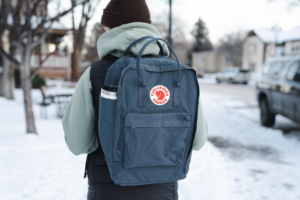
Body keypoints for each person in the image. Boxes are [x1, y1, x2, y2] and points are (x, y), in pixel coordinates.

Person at [62, 0, 208, 199]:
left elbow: (78, 143)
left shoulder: (95, 74)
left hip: (107, 188)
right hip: (163, 190)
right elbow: (197, 141)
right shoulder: (177, 75)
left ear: (110, 28)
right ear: (148, 27)